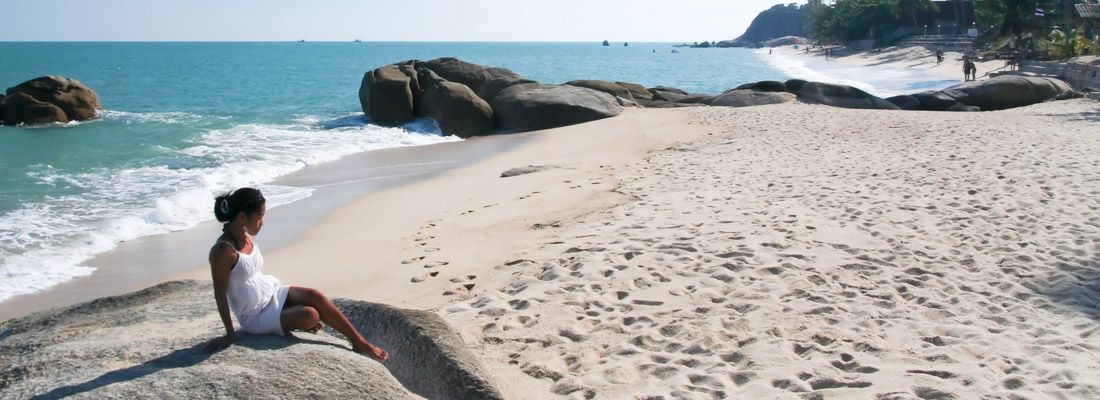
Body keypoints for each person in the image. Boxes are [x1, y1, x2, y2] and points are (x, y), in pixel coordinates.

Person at [204, 187, 389, 361]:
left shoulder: (245, 236)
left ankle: (359, 342)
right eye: (259, 217)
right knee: (310, 315)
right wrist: (230, 334)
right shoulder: (222, 252)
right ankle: (299, 321)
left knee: (314, 295)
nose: (262, 223)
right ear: (243, 216)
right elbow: (220, 294)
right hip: (254, 315)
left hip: (271, 292)